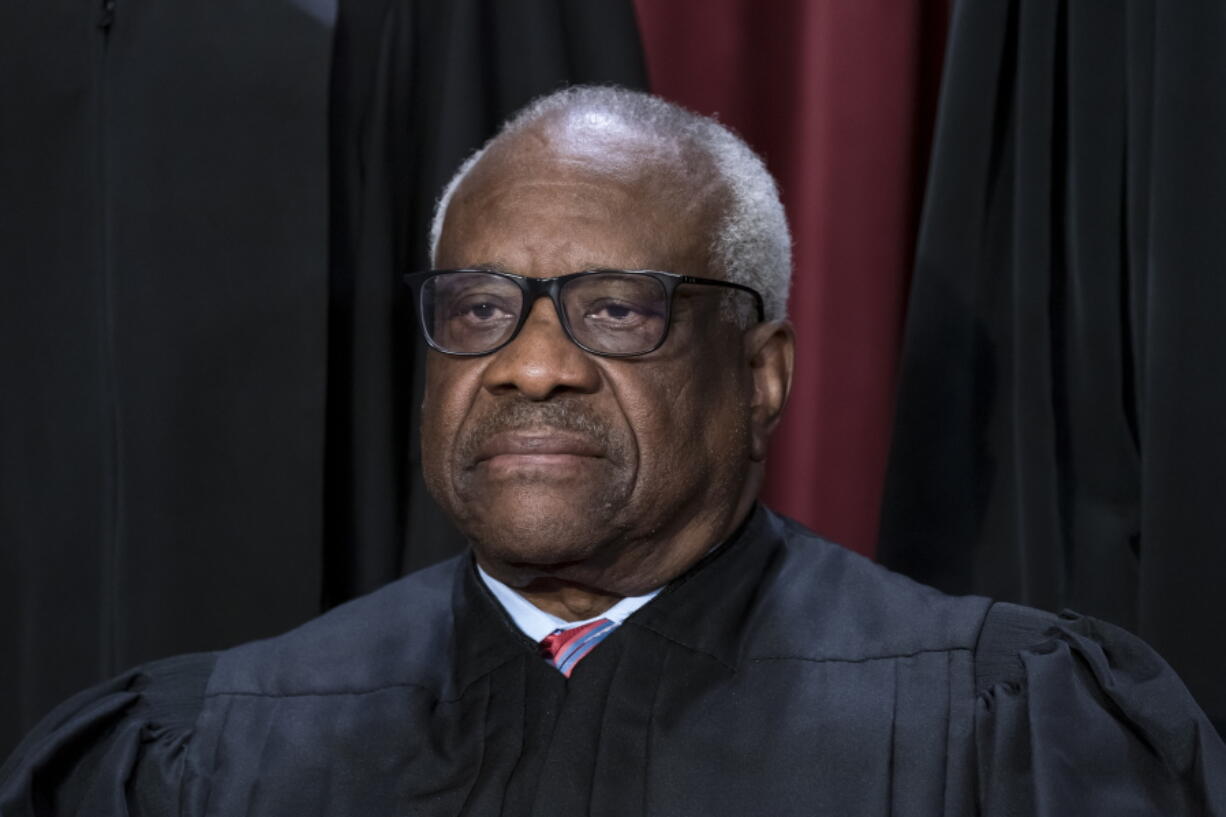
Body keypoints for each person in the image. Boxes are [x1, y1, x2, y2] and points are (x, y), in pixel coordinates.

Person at [3, 85, 1224, 816]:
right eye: (481, 306)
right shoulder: (213, 752)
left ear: (761, 375)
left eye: (617, 308)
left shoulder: (992, 732)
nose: (532, 363)